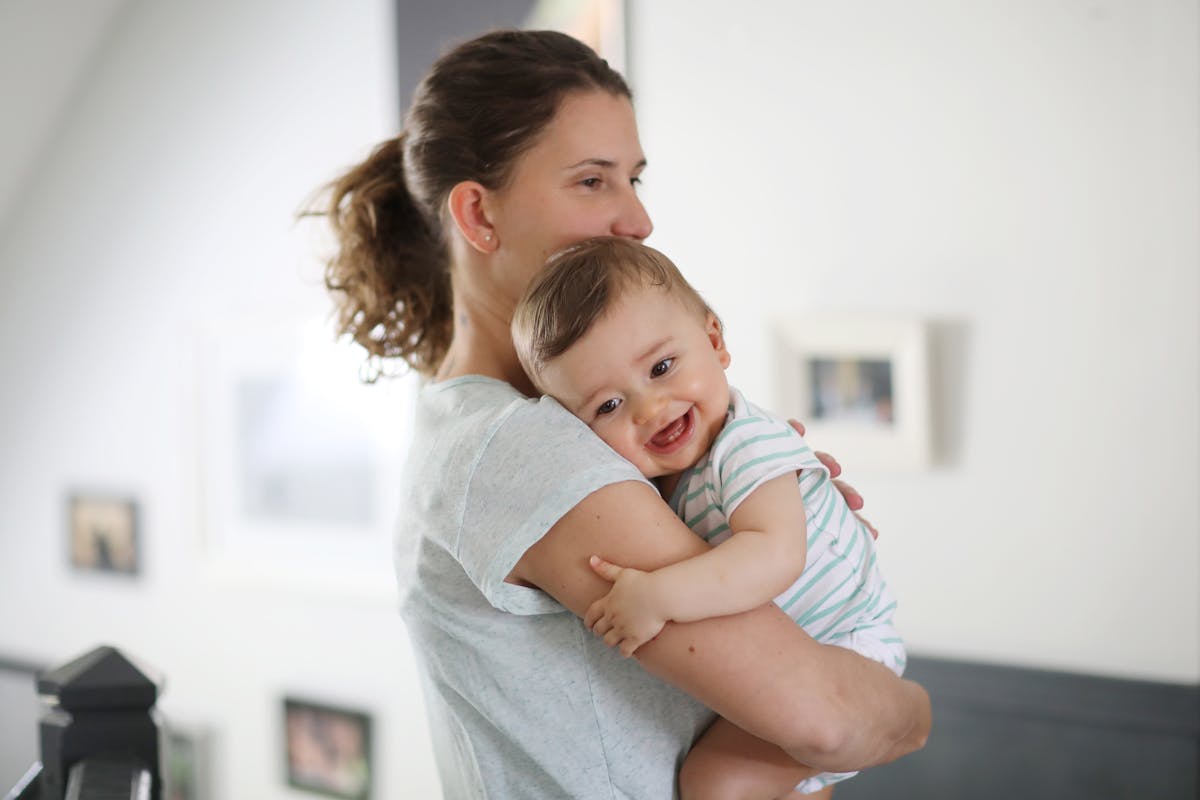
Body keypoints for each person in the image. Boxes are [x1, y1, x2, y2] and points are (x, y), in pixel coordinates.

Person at [316, 28, 930, 799]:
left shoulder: (521, 429)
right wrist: (912, 712)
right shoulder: (518, 446)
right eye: (592, 181)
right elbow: (827, 722)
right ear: (477, 215)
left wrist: (762, 502)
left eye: (635, 179)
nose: (636, 219)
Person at [512, 236, 907, 797]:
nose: (650, 408)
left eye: (663, 366)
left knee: (714, 783)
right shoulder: (653, 484)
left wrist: (658, 597)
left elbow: (774, 557)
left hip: (848, 651)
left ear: (715, 341)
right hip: (794, 664)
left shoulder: (747, 443)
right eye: (607, 406)